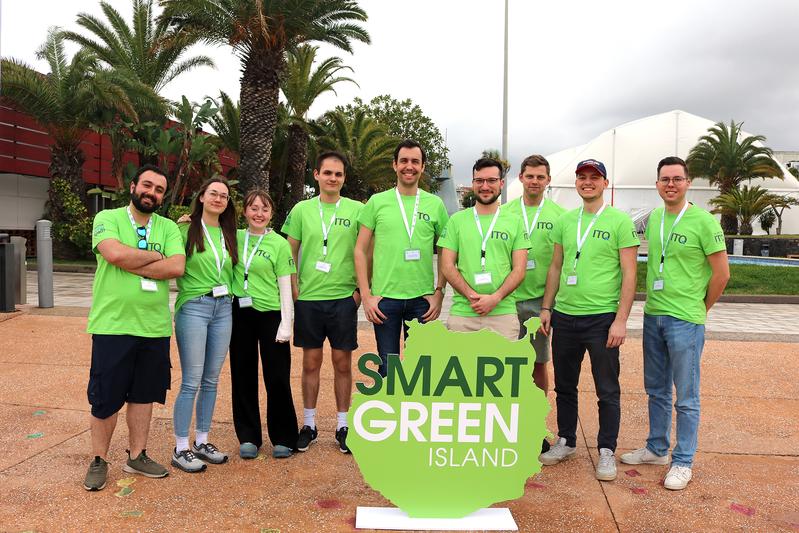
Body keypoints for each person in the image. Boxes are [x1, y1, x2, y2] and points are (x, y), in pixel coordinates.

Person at [620, 156, 729, 490]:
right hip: (654, 315)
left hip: (685, 320)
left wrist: (700, 309)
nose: (670, 184)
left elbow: (722, 274)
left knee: (686, 397)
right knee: (656, 389)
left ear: (688, 183)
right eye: (665, 179)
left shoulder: (704, 222)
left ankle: (683, 461)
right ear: (657, 184)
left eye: (677, 179)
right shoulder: (654, 219)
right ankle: (656, 448)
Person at [84, 164, 185, 491]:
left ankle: (137, 455)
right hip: (113, 325)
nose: (152, 193)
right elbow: (112, 253)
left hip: (154, 328)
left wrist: (134, 260)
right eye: (147, 186)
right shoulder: (107, 219)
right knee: (105, 397)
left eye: (158, 190)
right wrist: (155, 256)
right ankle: (99, 459)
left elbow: (177, 266)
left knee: (144, 395)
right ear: (132, 186)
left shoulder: (168, 227)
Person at [538, 159, 639, 482]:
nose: (587, 182)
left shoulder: (619, 221)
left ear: (605, 184)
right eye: (582, 177)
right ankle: (566, 439)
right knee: (565, 385)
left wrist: (620, 319)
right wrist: (547, 308)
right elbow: (556, 267)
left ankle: (606, 450)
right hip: (566, 316)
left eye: (594, 178)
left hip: (601, 318)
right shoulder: (566, 221)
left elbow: (630, 272)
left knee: (606, 388)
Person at [282, 151, 362, 454]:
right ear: (315, 174)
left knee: (343, 364)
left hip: (343, 299)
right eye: (327, 173)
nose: (333, 178)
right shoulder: (302, 210)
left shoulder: (357, 210)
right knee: (311, 363)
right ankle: (310, 424)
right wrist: (295, 290)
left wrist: (357, 292)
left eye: (338, 174)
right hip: (309, 300)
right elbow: (288, 252)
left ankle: (343, 426)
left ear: (344, 178)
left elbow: (366, 252)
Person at [354, 139, 449, 376]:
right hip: (385, 299)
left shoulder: (435, 204)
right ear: (394, 165)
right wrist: (366, 296)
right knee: (388, 368)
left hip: (422, 300)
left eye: (415, 161)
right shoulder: (377, 202)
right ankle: (391, 412)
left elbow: (446, 251)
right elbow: (360, 250)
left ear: (423, 167)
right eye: (404, 161)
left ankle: (417, 413)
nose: (409, 166)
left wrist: (439, 293)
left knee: (422, 370)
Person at [172, 177, 238, 473]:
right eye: (213, 193)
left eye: (224, 196)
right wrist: (179, 221)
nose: (218, 199)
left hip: (223, 308)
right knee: (191, 381)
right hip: (195, 307)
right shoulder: (184, 229)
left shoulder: (228, 232)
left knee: (212, 380)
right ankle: (181, 447)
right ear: (201, 197)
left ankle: (202, 440)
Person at [503, 154, 566, 454]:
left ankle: (536, 426)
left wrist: (547, 307)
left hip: (540, 301)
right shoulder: (506, 212)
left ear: (548, 180)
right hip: (508, 301)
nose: (535, 182)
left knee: (538, 364)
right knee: (504, 366)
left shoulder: (559, 215)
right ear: (521, 178)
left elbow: (558, 263)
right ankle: (505, 425)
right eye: (530, 176)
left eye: (540, 177)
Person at [230, 190, 299, 460]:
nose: (259, 214)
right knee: (242, 376)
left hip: (271, 315)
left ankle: (283, 437)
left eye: (265, 209)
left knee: (278, 377)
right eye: (254, 208)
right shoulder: (233, 237)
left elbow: (286, 288)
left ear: (272, 214)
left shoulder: (279, 244)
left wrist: (286, 324)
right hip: (240, 315)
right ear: (245, 211)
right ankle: (248, 436)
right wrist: (187, 221)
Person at [438, 157, 529, 339]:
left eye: (491, 180)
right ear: (473, 183)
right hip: (464, 314)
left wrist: (495, 298)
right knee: (461, 367)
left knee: (502, 367)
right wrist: (472, 296)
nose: (485, 186)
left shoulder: (515, 222)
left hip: (502, 315)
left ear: (501, 183)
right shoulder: (457, 220)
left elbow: (519, 269)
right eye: (479, 180)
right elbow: (447, 265)